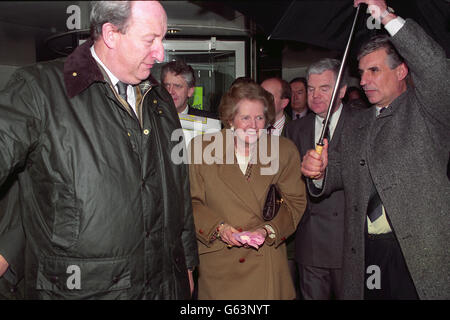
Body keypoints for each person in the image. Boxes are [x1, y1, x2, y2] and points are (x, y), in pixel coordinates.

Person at [0, 1, 198, 299]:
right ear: (111, 34)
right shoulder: (38, 89)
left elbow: (179, 189)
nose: (160, 53)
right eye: (150, 40)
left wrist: (187, 264)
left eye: (162, 39)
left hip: (164, 287)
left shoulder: (160, 99)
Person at [301, 0, 449, 300]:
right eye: (361, 71)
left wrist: (386, 16)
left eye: (373, 70)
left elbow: (435, 67)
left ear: (401, 71)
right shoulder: (357, 123)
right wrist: (318, 172)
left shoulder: (426, 110)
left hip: (418, 255)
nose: (364, 80)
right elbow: (338, 174)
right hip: (367, 255)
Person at [189, 82, 307, 299]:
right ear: (230, 118)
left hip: (265, 260)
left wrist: (267, 231)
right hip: (219, 262)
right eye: (245, 118)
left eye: (259, 118)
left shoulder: (284, 151)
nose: (253, 125)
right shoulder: (201, 148)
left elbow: (294, 203)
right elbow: (190, 202)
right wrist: (220, 228)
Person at [285, 58, 348, 300]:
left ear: (342, 91)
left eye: (325, 88)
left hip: (348, 242)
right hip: (310, 242)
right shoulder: (295, 130)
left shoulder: (361, 123)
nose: (316, 95)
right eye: (311, 89)